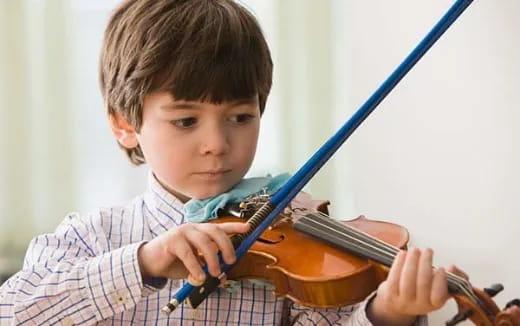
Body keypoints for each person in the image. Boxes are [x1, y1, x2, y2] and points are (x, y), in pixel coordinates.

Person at [0, 0, 465, 325]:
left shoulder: (292, 226)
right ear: (125, 123)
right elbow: (13, 312)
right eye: (185, 121)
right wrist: (144, 263)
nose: (218, 144)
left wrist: (387, 313)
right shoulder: (92, 237)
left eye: (241, 117)